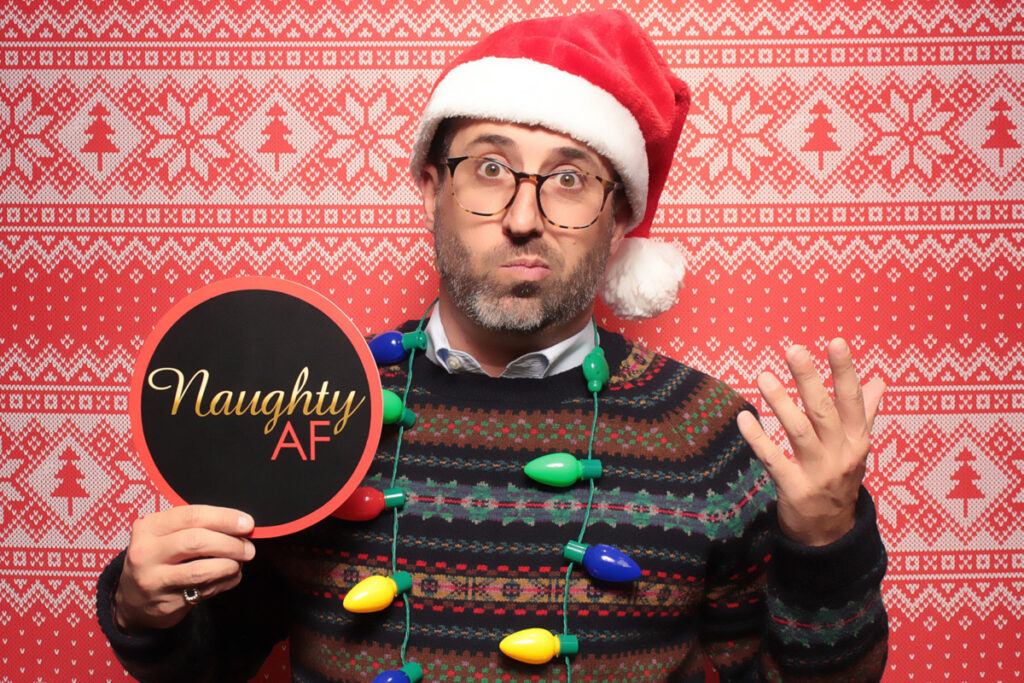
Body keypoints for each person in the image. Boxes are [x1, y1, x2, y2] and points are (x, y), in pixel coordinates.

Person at [96, 10, 888, 682]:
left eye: (570, 178)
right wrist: (148, 606)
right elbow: (214, 658)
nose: (522, 216)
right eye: (489, 167)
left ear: (619, 222)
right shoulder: (324, 398)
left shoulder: (708, 431)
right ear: (433, 187)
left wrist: (825, 546)